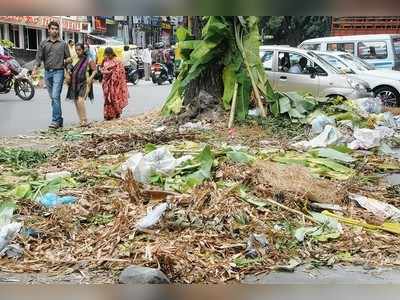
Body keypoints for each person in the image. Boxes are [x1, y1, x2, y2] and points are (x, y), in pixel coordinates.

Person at [33, 21, 71, 129]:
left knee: (55, 96)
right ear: (48, 30)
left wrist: (68, 72)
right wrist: (35, 68)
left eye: (56, 29)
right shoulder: (43, 43)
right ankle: (59, 120)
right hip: (47, 72)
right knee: (53, 97)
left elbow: (68, 59)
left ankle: (55, 120)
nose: (54, 30)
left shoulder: (63, 44)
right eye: (52, 28)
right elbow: (39, 57)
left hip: (59, 72)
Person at [66, 43, 97, 127]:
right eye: (76, 50)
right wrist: (68, 71)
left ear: (83, 50)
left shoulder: (89, 59)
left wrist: (90, 78)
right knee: (76, 101)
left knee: (80, 100)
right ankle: (81, 120)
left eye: (79, 50)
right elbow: (69, 66)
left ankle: (85, 120)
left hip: (84, 83)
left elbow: (95, 70)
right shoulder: (74, 59)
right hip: (74, 83)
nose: (77, 51)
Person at [100, 47, 129, 120]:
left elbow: (121, 72)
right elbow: (101, 69)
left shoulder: (117, 61)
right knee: (107, 99)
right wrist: (106, 72)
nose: (107, 56)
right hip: (106, 84)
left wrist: (112, 74)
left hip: (115, 84)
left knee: (114, 98)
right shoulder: (104, 61)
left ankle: (116, 113)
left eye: (109, 54)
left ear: (112, 53)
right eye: (106, 54)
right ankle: (108, 114)